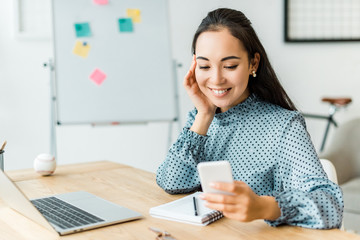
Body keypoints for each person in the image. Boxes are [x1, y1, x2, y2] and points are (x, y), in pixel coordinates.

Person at [156, 8, 343, 229]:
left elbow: (331, 206)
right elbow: (171, 182)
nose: (216, 79)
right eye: (205, 66)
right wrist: (204, 116)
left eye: (230, 66)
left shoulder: (284, 126)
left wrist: (265, 207)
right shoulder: (200, 119)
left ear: (253, 63)